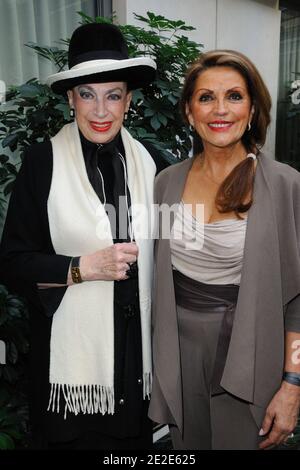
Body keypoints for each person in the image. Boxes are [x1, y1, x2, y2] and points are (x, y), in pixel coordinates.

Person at [0, 22, 168, 450]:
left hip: (140, 370)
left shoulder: (156, 164)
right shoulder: (42, 164)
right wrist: (80, 268)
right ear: (71, 99)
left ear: (129, 101)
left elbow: (177, 260)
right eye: (88, 95)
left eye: (113, 95)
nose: (100, 111)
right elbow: (12, 262)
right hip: (71, 382)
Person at [148, 50, 300, 450]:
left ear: (252, 109)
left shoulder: (285, 186)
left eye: (234, 96)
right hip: (176, 354)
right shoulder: (165, 185)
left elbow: (298, 301)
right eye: (206, 97)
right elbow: (154, 274)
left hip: (249, 349)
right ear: (188, 111)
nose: (220, 110)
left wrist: (292, 385)